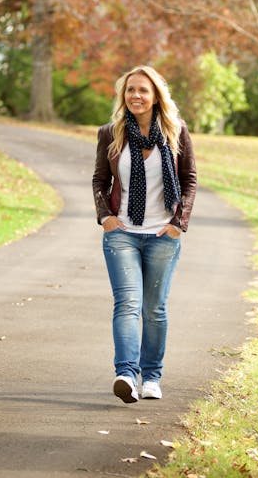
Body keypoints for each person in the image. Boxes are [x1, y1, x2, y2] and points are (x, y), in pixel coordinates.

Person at [92, 65, 197, 403]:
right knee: (128, 304)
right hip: (122, 233)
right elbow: (99, 180)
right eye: (130, 90)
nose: (135, 96)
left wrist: (179, 223)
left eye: (143, 90)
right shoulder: (111, 133)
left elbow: (190, 179)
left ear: (156, 97)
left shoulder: (176, 132)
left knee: (154, 309)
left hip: (163, 236)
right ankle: (126, 374)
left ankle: (151, 377)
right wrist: (105, 216)